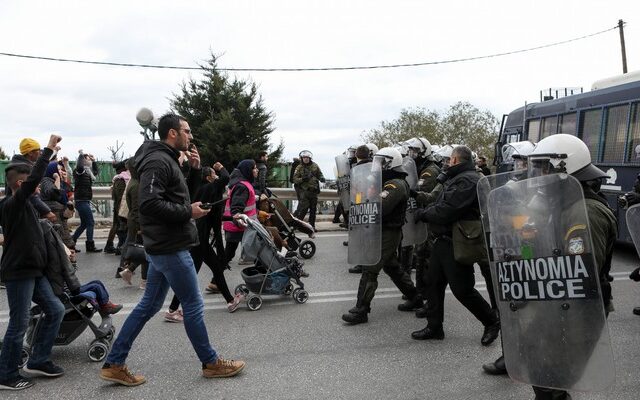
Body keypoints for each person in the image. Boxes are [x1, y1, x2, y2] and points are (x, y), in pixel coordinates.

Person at [99, 113, 244, 386]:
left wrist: (194, 170)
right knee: (193, 304)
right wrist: (187, 212)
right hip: (170, 245)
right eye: (187, 131)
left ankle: (114, 363)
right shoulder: (158, 160)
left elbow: (176, 194)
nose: (191, 136)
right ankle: (211, 363)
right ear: (173, 134)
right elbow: (150, 204)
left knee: (149, 305)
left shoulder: (167, 159)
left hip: (164, 243)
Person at [412, 145, 500, 345]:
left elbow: (448, 210)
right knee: (433, 284)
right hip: (444, 239)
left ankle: (491, 321)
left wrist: (424, 214)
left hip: (458, 240)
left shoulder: (468, 180)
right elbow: (440, 203)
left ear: (456, 160)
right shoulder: (457, 178)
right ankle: (434, 327)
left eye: (449, 160)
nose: (446, 163)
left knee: (462, 290)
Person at [0, 134, 66, 391]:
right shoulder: (12, 204)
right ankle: (6, 374)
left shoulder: (25, 203)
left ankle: (38, 360)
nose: (38, 185)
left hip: (33, 270)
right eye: (32, 182)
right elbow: (34, 180)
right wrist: (48, 150)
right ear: (19, 183)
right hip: (19, 271)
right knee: (18, 324)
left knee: (56, 309)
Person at [341, 147, 422, 325]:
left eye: (380, 162)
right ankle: (416, 298)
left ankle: (361, 310)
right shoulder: (383, 182)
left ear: (390, 163)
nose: (376, 165)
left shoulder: (396, 185)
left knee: (370, 268)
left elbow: (381, 207)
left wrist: (372, 194)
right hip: (381, 230)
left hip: (389, 232)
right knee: (392, 267)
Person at [165, 164, 243, 321]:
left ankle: (229, 300)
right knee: (192, 275)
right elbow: (227, 177)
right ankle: (173, 310)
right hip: (199, 239)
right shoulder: (209, 188)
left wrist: (231, 217)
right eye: (214, 174)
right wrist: (221, 167)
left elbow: (213, 215)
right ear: (208, 177)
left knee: (215, 269)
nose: (216, 176)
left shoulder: (201, 190)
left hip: (199, 238)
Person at [4, 138, 57, 225]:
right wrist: (46, 211)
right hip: (23, 213)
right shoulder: (22, 168)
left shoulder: (16, 165)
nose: (40, 153)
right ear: (30, 152)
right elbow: (30, 194)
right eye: (38, 150)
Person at [116, 158, 148, 288]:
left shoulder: (133, 182)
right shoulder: (138, 185)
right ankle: (144, 281)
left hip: (134, 220)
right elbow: (138, 208)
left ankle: (128, 270)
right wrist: (141, 226)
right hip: (138, 222)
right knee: (145, 251)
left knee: (141, 250)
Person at [223, 159, 259, 265]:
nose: (257, 170)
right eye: (254, 168)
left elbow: (244, 202)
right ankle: (216, 278)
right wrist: (240, 222)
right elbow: (236, 209)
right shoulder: (242, 186)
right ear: (248, 170)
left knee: (229, 254)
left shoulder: (243, 183)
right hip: (238, 226)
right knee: (228, 254)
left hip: (241, 225)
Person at [39, 161, 76, 249]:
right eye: (58, 169)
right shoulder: (46, 181)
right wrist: (58, 179)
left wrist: (62, 180)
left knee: (64, 240)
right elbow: (53, 193)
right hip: (54, 214)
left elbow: (65, 194)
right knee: (59, 241)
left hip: (60, 214)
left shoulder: (55, 181)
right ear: (52, 170)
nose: (60, 171)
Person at [72, 150, 102, 252]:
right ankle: (90, 246)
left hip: (85, 200)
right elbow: (80, 165)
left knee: (85, 224)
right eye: (87, 158)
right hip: (81, 201)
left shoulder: (88, 172)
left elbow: (96, 172)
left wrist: (94, 161)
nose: (88, 159)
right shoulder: (79, 171)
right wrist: (81, 154)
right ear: (83, 161)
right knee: (90, 222)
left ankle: (71, 242)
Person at [293, 150, 325, 230]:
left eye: (307, 157)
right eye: (304, 158)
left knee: (313, 210)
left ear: (310, 158)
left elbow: (319, 174)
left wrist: (321, 178)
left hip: (313, 191)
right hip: (304, 191)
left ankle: (312, 227)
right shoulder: (299, 167)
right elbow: (295, 179)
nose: (306, 159)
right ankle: (298, 225)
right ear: (302, 158)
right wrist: (303, 179)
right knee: (303, 209)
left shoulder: (315, 165)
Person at [104, 161, 129, 254]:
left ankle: (110, 245)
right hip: (120, 206)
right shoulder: (121, 179)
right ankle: (119, 247)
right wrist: (120, 209)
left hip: (119, 206)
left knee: (116, 225)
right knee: (120, 226)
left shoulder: (119, 178)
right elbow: (120, 197)